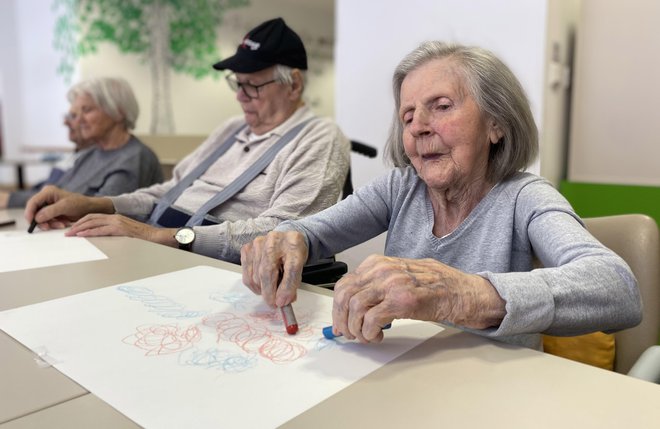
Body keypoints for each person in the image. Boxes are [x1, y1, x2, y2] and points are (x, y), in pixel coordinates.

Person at [240, 41, 642, 349]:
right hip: (400, 380)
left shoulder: (525, 198)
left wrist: (463, 295)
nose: (418, 127)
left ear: (496, 124)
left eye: (442, 106)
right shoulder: (400, 188)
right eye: (408, 116)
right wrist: (288, 238)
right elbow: (311, 234)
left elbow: (619, 289)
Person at [25, 18, 350, 264]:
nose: (240, 96)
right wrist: (95, 204)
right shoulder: (231, 129)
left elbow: (285, 231)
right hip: (162, 251)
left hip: (216, 268)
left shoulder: (319, 137)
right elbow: (168, 190)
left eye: (252, 85)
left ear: (293, 85)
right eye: (236, 84)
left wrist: (163, 236)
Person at [1, 77, 163, 209]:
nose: (78, 121)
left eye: (87, 110)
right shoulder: (89, 154)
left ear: (119, 112)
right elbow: (52, 192)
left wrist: (9, 199)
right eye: (76, 114)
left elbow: (101, 209)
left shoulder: (135, 157)